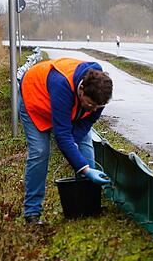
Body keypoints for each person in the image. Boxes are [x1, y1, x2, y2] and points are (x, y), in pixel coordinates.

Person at [18, 57, 113, 224]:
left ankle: (86, 205)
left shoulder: (100, 92)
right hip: (35, 99)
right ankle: (32, 212)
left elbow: (87, 122)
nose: (94, 109)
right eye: (90, 105)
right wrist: (84, 168)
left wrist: (74, 149)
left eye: (98, 107)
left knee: (84, 145)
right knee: (40, 151)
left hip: (68, 105)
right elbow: (62, 135)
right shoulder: (61, 84)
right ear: (81, 89)